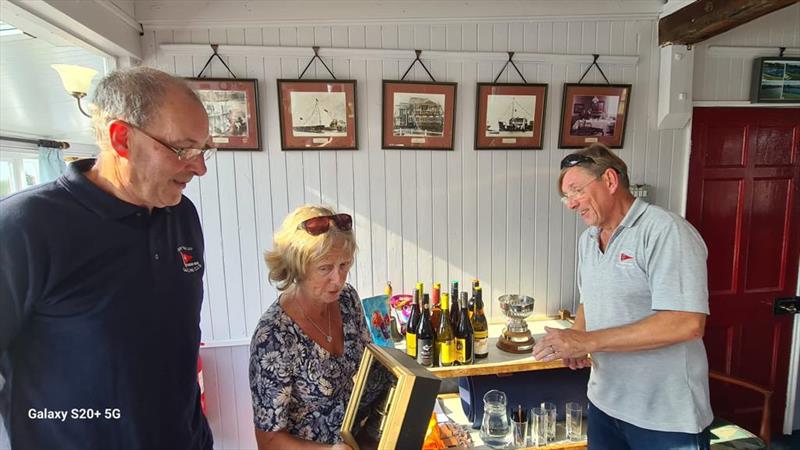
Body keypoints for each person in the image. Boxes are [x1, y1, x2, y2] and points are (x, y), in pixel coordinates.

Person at [0, 67, 215, 449]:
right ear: (122, 139)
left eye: (204, 149)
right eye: (183, 149)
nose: (199, 167)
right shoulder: (23, 226)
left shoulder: (181, 215)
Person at [532, 144, 713, 450]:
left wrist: (587, 342)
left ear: (611, 181)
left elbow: (686, 323)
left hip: (665, 419)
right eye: (566, 196)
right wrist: (577, 335)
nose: (570, 204)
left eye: (576, 190)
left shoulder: (665, 231)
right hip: (605, 405)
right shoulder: (588, 240)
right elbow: (590, 299)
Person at [249, 205, 388, 449]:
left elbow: (369, 366)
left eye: (344, 265)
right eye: (325, 268)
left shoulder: (346, 299)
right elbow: (269, 440)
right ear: (297, 267)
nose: (339, 279)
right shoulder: (273, 337)